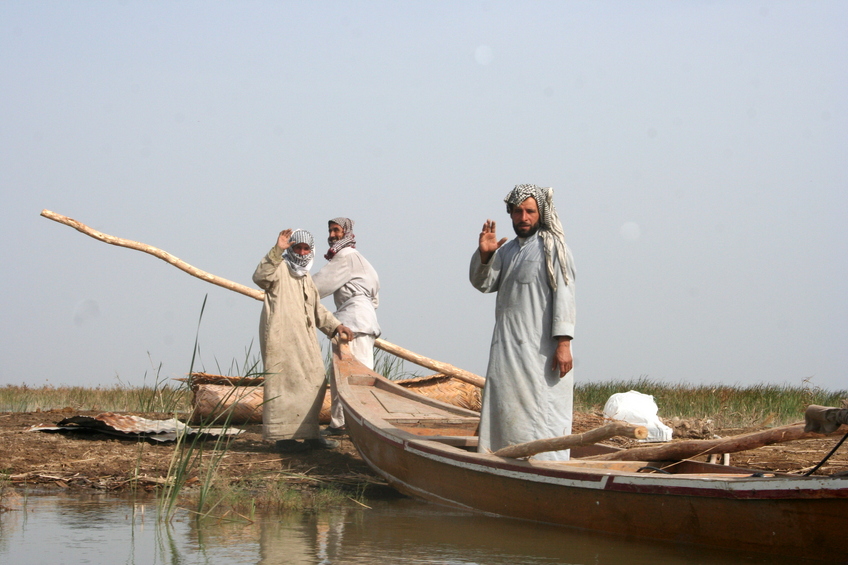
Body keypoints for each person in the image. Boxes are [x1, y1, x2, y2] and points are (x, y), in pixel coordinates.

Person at [469, 184, 577, 461]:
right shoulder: (506, 251)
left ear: (541, 213)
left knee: (542, 408)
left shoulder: (554, 248)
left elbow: (565, 296)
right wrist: (485, 254)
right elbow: (484, 284)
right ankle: (504, 459)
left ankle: (545, 464)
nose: (524, 217)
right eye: (518, 211)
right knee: (505, 405)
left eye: (530, 211)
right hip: (506, 348)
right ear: (511, 214)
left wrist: (563, 343)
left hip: (540, 349)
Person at [253, 228, 353, 452]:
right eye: (297, 247)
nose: (301, 251)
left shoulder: (306, 277)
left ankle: (310, 435)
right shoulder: (279, 268)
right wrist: (277, 250)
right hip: (281, 337)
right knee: (284, 383)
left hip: (304, 338)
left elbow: (317, 309)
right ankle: (283, 438)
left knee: (316, 380)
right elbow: (260, 277)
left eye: (305, 248)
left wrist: (336, 325)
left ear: (311, 250)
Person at [312, 217, 381, 435]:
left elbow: (316, 287)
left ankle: (345, 424)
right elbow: (375, 300)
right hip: (364, 321)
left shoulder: (345, 257)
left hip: (352, 323)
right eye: (330, 231)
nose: (332, 235)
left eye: (336, 231)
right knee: (356, 375)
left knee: (348, 376)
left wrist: (290, 288)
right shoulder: (363, 261)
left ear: (347, 233)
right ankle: (347, 423)